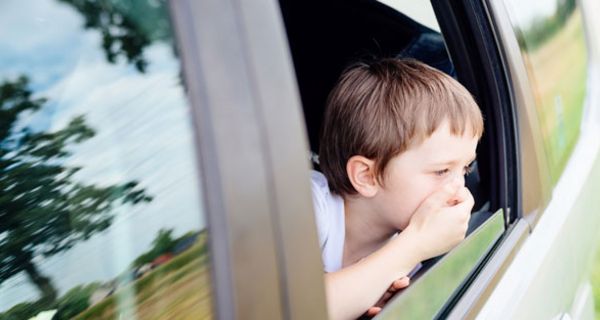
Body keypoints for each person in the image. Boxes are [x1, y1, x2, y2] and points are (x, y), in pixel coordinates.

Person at [311, 58, 483, 320]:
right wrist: (414, 245)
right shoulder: (309, 208)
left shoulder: (405, 254)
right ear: (368, 176)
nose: (460, 190)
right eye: (441, 171)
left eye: (466, 169)